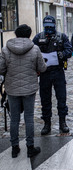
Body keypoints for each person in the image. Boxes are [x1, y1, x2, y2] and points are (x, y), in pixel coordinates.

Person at [0, 24, 47, 158]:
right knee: (29, 118)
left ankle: (15, 147)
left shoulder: (5, 49)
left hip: (12, 89)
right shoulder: (35, 49)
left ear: (16, 34)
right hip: (29, 89)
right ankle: (30, 147)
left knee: (14, 119)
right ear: (29, 34)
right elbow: (42, 68)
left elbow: (1, 69)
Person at [33, 15, 73, 135]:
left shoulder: (62, 37)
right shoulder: (38, 37)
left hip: (58, 71)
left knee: (61, 98)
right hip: (44, 73)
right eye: (46, 27)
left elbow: (69, 51)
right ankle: (47, 123)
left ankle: (62, 122)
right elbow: (32, 51)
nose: (49, 29)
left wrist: (61, 55)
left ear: (55, 25)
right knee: (45, 99)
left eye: (51, 26)